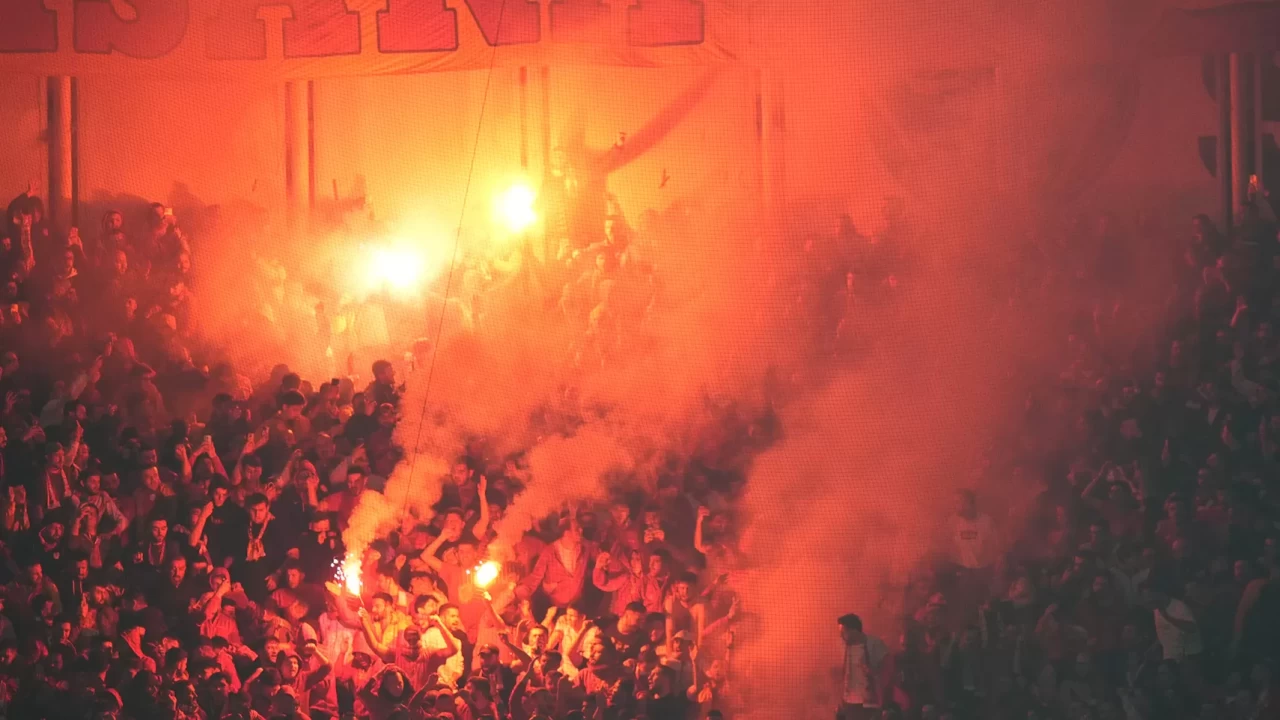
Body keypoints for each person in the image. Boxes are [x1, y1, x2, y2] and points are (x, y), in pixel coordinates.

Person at [837, 613, 888, 720]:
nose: (841, 636)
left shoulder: (874, 644)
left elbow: (887, 669)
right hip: (849, 702)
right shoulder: (843, 648)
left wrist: (872, 673)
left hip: (869, 702)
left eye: (843, 632)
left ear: (853, 631)